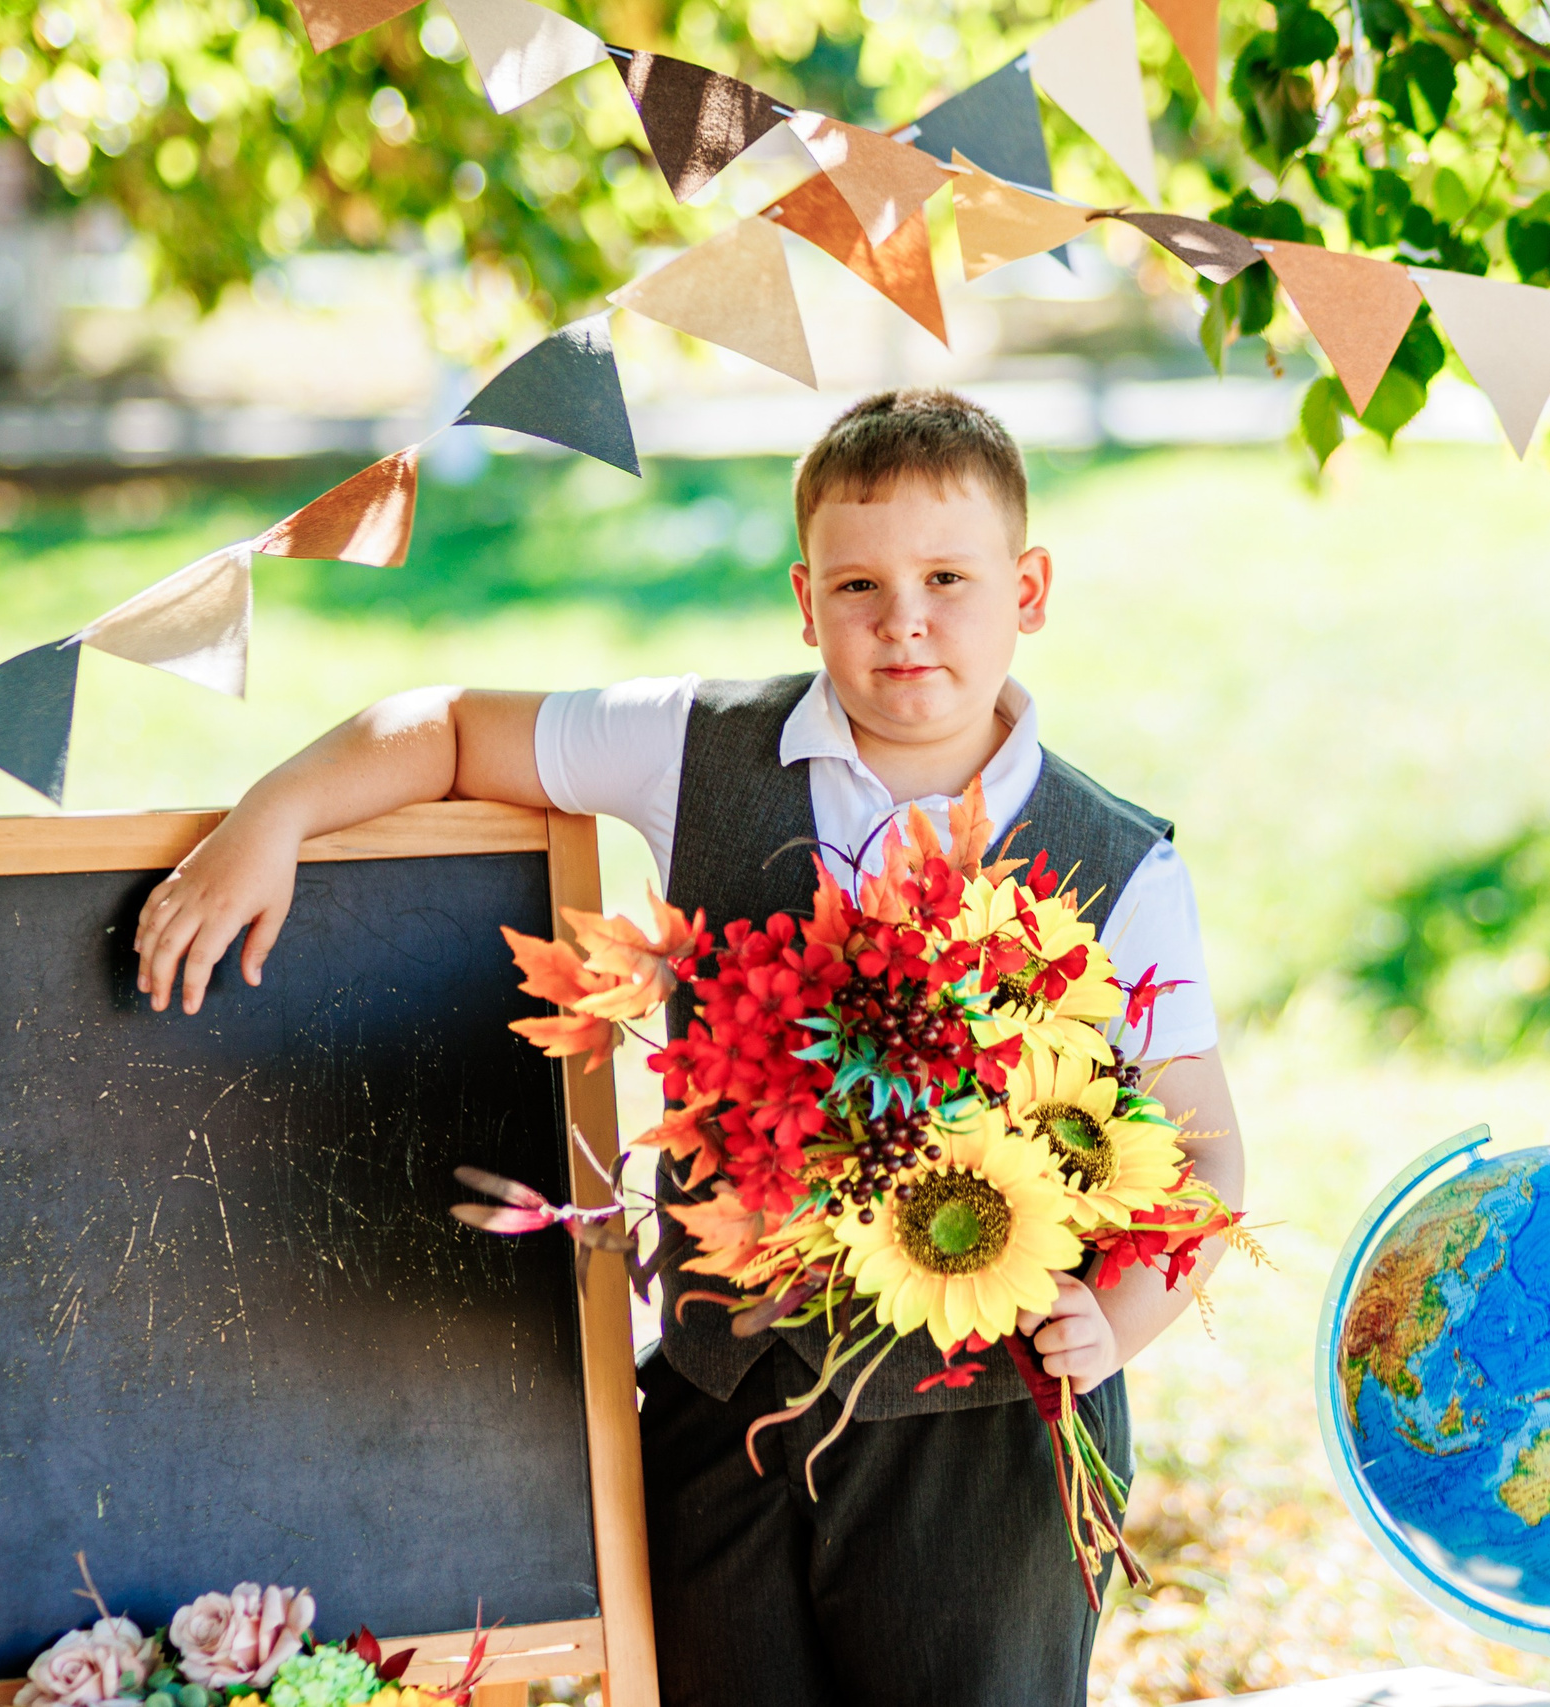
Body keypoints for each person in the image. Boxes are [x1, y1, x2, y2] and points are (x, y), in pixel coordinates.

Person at [130, 387, 1247, 1707]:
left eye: (950, 578)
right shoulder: (702, 746)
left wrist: (1117, 1324)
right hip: (728, 1402)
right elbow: (446, 727)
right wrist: (276, 815)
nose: (905, 621)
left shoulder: (1120, 861)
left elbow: (1205, 1145)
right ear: (803, 595)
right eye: (859, 584)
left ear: (1030, 587)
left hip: (984, 1444)